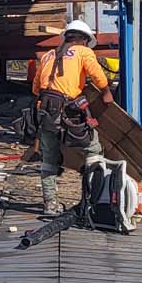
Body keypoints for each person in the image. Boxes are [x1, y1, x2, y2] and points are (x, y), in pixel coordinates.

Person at [31, 18, 110, 215]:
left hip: (45, 110)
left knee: (48, 158)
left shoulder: (48, 55)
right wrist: (106, 91)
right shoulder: (83, 52)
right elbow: (96, 74)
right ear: (84, 40)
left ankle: (50, 204)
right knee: (93, 149)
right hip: (68, 110)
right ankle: (95, 199)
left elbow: (35, 87)